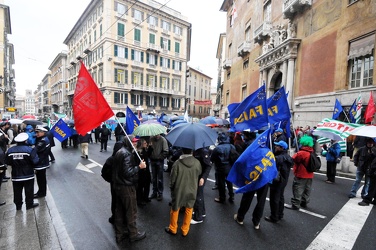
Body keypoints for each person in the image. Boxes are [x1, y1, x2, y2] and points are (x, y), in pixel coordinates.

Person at [112, 135, 147, 243]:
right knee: (131, 210)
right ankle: (133, 234)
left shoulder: (121, 152)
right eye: (134, 142)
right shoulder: (126, 154)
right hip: (126, 187)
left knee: (119, 210)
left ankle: (120, 234)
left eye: (136, 142)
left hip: (118, 186)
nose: (136, 143)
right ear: (129, 142)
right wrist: (139, 167)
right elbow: (127, 173)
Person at [165, 147, 202, 237]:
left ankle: (173, 228)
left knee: (175, 208)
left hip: (179, 189)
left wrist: (171, 188)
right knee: (189, 209)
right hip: (192, 189)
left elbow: (172, 179)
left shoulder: (177, 163)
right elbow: (199, 172)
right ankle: (185, 230)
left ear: (182, 151)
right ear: (192, 151)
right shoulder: (197, 163)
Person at [5, 132, 39, 210]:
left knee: (17, 191)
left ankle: (18, 205)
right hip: (28, 174)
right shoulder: (30, 150)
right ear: (25, 141)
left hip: (16, 175)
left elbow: (7, 162)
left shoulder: (10, 150)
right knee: (29, 190)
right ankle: (29, 204)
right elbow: (35, 161)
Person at [265, 141, 293, 223]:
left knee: (274, 199)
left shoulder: (278, 158)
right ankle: (280, 214)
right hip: (284, 180)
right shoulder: (288, 157)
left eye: (277, 146)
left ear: (282, 148)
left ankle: (274, 217)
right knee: (280, 197)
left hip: (277, 180)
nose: (275, 147)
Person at [285, 135, 315, 210]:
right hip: (310, 174)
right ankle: (304, 202)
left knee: (298, 189)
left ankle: (295, 204)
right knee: (307, 189)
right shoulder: (312, 152)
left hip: (301, 173)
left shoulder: (301, 153)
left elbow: (293, 160)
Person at [102, 141, 124, 224]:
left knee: (115, 200)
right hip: (122, 183)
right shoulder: (124, 158)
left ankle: (115, 216)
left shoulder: (111, 159)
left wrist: (110, 179)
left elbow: (104, 172)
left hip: (114, 183)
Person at [210, 132, 234, 203]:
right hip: (229, 167)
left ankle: (222, 198)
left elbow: (212, 158)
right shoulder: (232, 146)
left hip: (220, 168)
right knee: (229, 182)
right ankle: (231, 196)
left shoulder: (217, 148)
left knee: (221, 183)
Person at [191, 146, 212, 224]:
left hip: (201, 177)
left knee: (197, 195)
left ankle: (198, 217)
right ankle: (202, 212)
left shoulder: (203, 152)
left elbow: (208, 166)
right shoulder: (196, 150)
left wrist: (203, 178)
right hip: (197, 176)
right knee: (199, 194)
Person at [149, 134, 169, 201]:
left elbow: (166, 151)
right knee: (154, 178)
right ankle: (154, 192)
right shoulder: (151, 139)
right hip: (153, 160)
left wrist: (160, 157)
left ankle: (160, 193)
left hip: (159, 161)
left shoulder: (163, 140)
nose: (157, 136)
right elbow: (148, 149)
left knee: (160, 178)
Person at [33, 125, 51, 198]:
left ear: (43, 132)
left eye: (38, 132)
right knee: (41, 178)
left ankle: (41, 192)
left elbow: (36, 150)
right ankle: (41, 191)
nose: (36, 134)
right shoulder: (42, 139)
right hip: (42, 161)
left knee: (41, 179)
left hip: (41, 162)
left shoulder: (43, 141)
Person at [136, 138, 151, 206]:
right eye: (145, 143)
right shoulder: (138, 152)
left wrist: (150, 147)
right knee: (140, 186)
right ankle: (139, 200)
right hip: (141, 171)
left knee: (147, 184)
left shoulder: (145, 150)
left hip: (146, 170)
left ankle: (146, 197)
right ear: (141, 144)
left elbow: (149, 155)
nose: (146, 144)